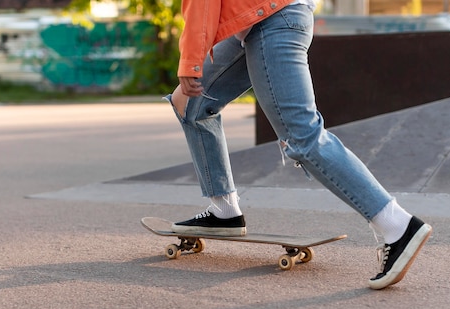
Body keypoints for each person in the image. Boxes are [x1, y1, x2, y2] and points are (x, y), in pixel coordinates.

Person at [163, 0, 432, 290]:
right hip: (254, 20)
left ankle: (398, 225)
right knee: (190, 105)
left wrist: (191, 58)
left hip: (273, 19)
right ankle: (224, 211)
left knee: (303, 136)